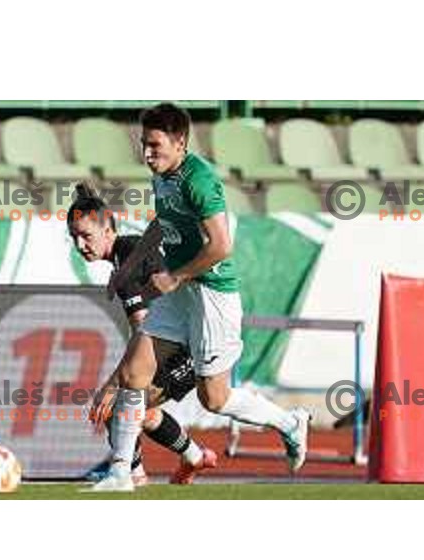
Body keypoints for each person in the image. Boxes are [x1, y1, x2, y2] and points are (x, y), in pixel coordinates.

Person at [93, 103, 311, 491]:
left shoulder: (200, 180)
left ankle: (290, 422)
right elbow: (165, 221)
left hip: (211, 295)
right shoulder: (162, 176)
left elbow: (222, 245)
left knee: (215, 398)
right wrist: (138, 261)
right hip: (181, 293)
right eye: (144, 144)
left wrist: (175, 277)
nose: (147, 154)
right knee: (133, 374)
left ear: (180, 143)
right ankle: (120, 474)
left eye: (155, 146)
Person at [67, 184, 217, 488]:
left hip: (185, 348)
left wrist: (114, 383)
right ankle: (193, 457)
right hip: (181, 342)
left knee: (121, 406)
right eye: (74, 237)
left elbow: (145, 331)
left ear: (109, 230)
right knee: (144, 412)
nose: (80, 244)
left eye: (86, 235)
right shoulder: (125, 257)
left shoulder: (129, 258)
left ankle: (132, 476)